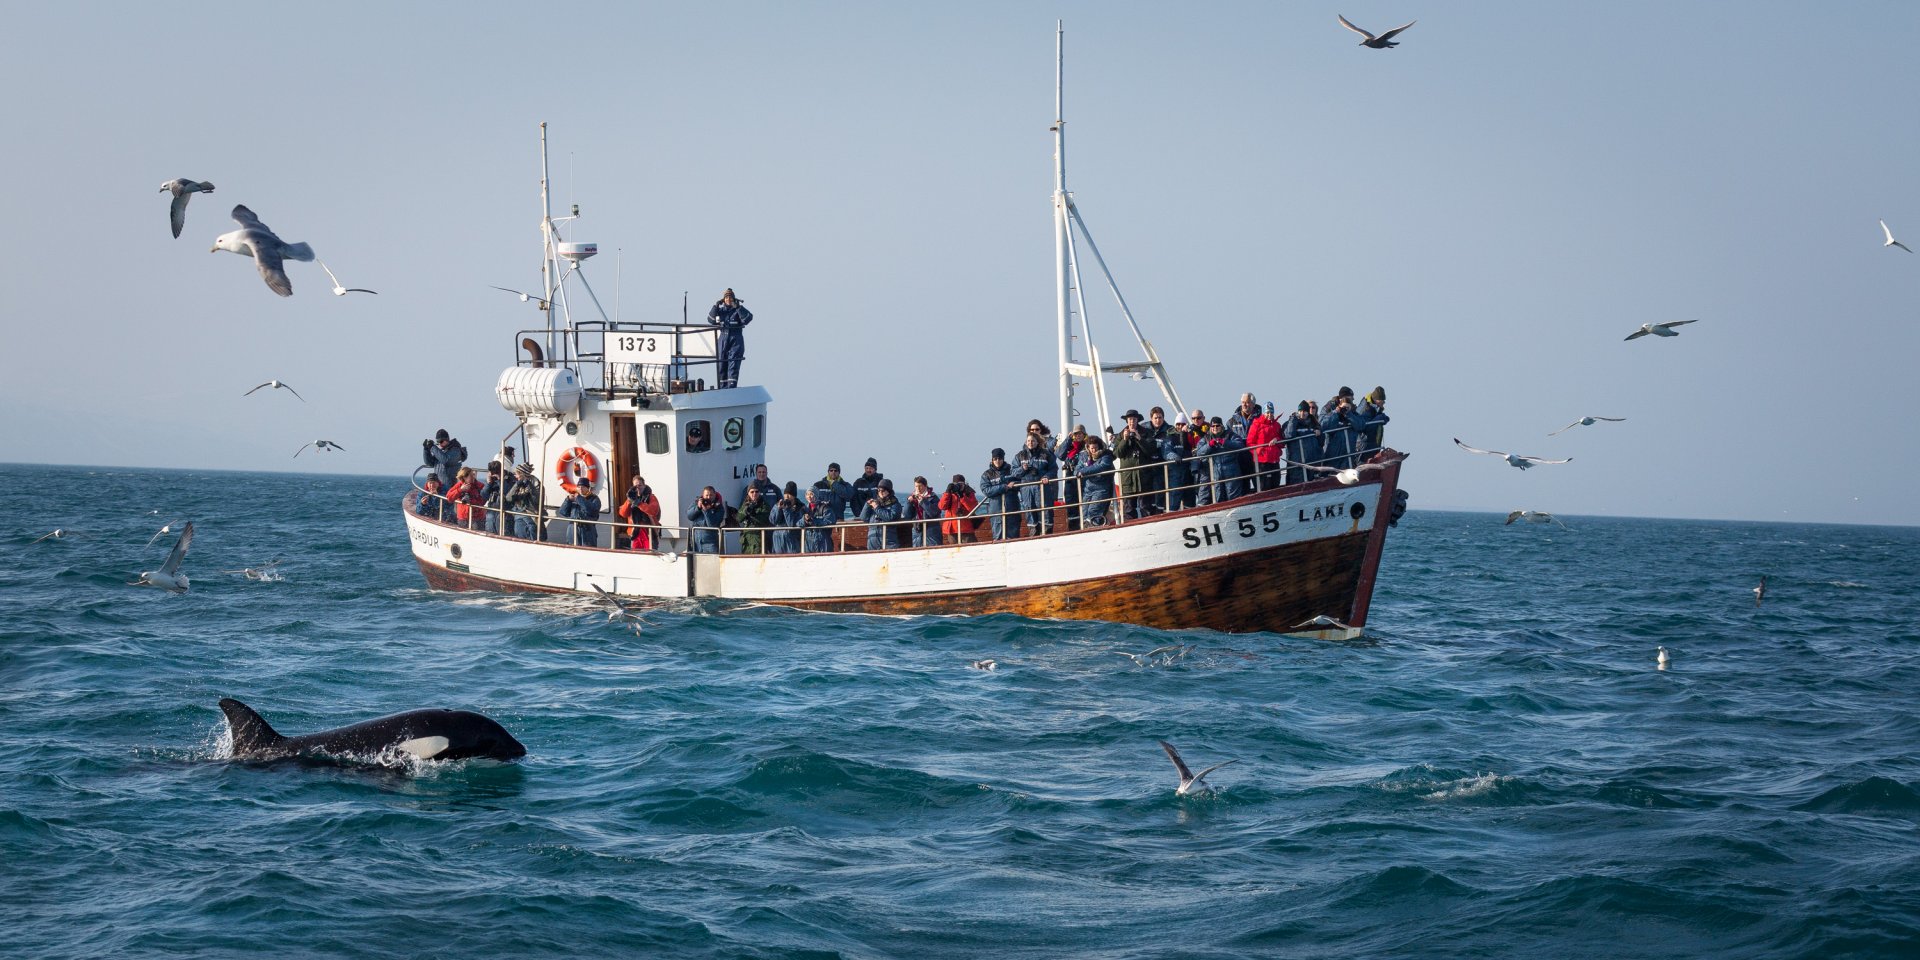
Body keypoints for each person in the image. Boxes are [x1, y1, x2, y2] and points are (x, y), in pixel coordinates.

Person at [1011, 431, 1057, 536]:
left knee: (1045, 510)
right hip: (1026, 488)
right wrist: (1022, 469)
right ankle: (1033, 531)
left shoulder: (1046, 454)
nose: (1030, 442)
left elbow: (1053, 469)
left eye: (1033, 441)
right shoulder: (1020, 456)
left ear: (1037, 442)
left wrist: (1047, 476)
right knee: (1029, 510)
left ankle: (1047, 532)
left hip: (1041, 487)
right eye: (1028, 441)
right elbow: (1013, 472)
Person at [708, 288, 753, 389]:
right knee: (721, 364)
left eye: (730, 297)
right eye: (726, 297)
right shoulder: (720, 311)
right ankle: (722, 387)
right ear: (723, 300)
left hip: (735, 339)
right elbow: (710, 320)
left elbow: (748, 318)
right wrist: (715, 306)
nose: (728, 299)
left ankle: (731, 387)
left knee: (733, 364)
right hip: (723, 339)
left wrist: (738, 308)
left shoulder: (737, 310)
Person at [1111, 409, 1151, 521]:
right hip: (1127, 478)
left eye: (1134, 419)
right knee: (1128, 509)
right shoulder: (1120, 435)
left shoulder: (1145, 433)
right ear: (1127, 421)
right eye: (1129, 419)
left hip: (1143, 477)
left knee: (1145, 507)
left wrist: (1139, 438)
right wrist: (1124, 440)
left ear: (1137, 420)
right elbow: (1117, 453)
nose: (1132, 422)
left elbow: (1151, 450)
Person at [1197, 417, 1248, 502]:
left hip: (1231, 472)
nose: (1215, 428)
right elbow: (1199, 452)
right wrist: (1209, 445)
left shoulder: (1230, 435)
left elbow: (1239, 445)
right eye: (1213, 426)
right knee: (1219, 498)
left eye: (1217, 426)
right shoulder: (1206, 438)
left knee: (1234, 498)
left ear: (1222, 426)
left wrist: (1225, 442)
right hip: (1216, 473)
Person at [978, 448, 1020, 540]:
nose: (997, 461)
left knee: (1013, 538)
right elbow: (986, 490)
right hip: (996, 511)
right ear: (992, 460)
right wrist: (1005, 487)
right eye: (995, 459)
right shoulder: (987, 475)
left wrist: (1015, 485)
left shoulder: (1012, 471)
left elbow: (1020, 483)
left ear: (1003, 459)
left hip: (1012, 509)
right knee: (998, 537)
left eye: (1000, 458)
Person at [1054, 425, 1090, 532]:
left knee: (1084, 502)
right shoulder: (1069, 446)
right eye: (1076, 434)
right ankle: (1074, 528)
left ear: (1084, 434)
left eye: (1080, 433)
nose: (1078, 436)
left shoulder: (1088, 445)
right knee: (1071, 504)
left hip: (1084, 477)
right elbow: (1060, 455)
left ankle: (1086, 526)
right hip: (1070, 477)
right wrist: (1068, 440)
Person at [1075, 436, 1116, 527]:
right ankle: (1087, 530)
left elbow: (1102, 466)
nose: (1094, 450)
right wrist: (1080, 471)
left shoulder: (1106, 456)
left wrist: (1084, 471)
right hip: (1088, 489)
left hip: (1102, 488)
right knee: (1084, 512)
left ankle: (1095, 527)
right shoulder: (1084, 456)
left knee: (1094, 511)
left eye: (1096, 448)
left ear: (1099, 447)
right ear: (1088, 448)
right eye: (1092, 448)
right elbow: (1077, 469)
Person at [1283, 400, 1324, 485]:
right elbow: (1289, 435)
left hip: (1312, 462)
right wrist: (1293, 420)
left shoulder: (1314, 424)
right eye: (1300, 411)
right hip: (1297, 463)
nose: (1302, 413)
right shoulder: (1290, 423)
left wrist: (1319, 434)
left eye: (1305, 411)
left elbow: (1322, 442)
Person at [1247, 402, 1284, 492]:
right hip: (1261, 461)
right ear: (1263, 413)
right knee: (1264, 486)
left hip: (1274, 460)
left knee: (1276, 483)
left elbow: (1282, 442)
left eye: (1271, 412)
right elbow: (1249, 443)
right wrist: (1259, 450)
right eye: (1267, 412)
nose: (1269, 415)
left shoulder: (1277, 425)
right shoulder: (1256, 425)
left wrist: (1277, 439)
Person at [859, 478, 905, 550]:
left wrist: (877, 508)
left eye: (883, 490)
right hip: (873, 539)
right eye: (878, 490)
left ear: (889, 491)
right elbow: (863, 518)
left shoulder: (895, 504)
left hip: (888, 539)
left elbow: (890, 518)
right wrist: (867, 505)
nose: (880, 492)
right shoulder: (875, 502)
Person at [1157, 417, 1192, 512]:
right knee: (1174, 497)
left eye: (1182, 424)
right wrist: (1174, 456)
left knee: (1190, 497)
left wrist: (1184, 435)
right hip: (1175, 473)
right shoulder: (1169, 437)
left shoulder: (1191, 435)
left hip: (1189, 472)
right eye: (1178, 424)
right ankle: (1172, 515)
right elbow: (1166, 451)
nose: (1180, 426)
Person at [620, 475, 663, 550]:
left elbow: (653, 511)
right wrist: (629, 501)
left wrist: (639, 504)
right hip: (635, 533)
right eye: (635, 486)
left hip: (649, 533)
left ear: (644, 486)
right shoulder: (631, 498)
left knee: (651, 556)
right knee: (636, 556)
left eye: (640, 485)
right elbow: (623, 513)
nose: (638, 487)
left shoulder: (651, 497)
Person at [1320, 387, 1359, 469]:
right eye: (1350, 396)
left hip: (1349, 454)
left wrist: (1349, 414)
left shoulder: (1353, 410)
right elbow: (1322, 425)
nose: (1353, 399)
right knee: (1330, 475)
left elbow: (1361, 425)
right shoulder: (1329, 408)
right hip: (1332, 453)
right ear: (1343, 398)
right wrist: (1335, 413)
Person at [504, 462, 543, 540]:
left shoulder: (535, 484)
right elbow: (508, 498)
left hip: (532, 515)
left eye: (517, 474)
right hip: (519, 514)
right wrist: (517, 484)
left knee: (531, 533)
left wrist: (529, 487)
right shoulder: (518, 484)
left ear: (522, 475)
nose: (515, 476)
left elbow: (536, 501)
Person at [558, 481, 604, 547]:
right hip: (573, 528)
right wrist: (568, 500)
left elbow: (592, 511)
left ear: (588, 488)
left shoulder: (594, 499)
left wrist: (579, 498)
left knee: (588, 550)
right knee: (572, 549)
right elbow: (563, 512)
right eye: (579, 487)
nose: (580, 489)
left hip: (587, 529)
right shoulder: (573, 498)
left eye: (583, 487)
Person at [904, 476, 944, 546]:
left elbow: (934, 513)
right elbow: (907, 515)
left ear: (925, 486)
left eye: (920, 486)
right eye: (916, 486)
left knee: (934, 552)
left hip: (931, 531)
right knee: (917, 553)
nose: (918, 489)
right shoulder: (912, 498)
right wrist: (908, 503)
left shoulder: (933, 497)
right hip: (917, 531)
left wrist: (923, 502)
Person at [686, 486, 728, 554]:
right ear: (703, 495)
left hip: (710, 544)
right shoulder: (697, 502)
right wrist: (698, 508)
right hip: (696, 543)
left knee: (712, 563)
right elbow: (689, 516)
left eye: (711, 495)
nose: (708, 497)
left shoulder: (719, 508)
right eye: (706, 495)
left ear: (715, 495)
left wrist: (706, 511)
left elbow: (712, 525)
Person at [734, 483, 772, 554]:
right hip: (747, 540)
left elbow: (764, 520)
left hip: (758, 539)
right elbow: (738, 518)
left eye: (756, 491)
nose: (754, 494)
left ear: (759, 493)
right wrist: (746, 511)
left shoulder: (764, 505)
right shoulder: (745, 504)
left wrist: (752, 514)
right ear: (748, 493)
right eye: (752, 492)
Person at [769, 482, 805, 554]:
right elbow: (773, 521)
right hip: (778, 539)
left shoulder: (800, 507)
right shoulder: (778, 504)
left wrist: (786, 510)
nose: (787, 497)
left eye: (789, 494)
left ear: (794, 496)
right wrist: (778, 508)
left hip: (792, 540)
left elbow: (791, 524)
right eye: (785, 494)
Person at [940, 474, 979, 541]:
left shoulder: (969, 492)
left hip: (966, 528)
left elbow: (973, 508)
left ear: (964, 483)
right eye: (956, 484)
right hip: (952, 529)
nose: (958, 486)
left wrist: (962, 497)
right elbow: (942, 506)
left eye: (960, 484)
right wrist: (947, 493)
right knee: (954, 549)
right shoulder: (950, 493)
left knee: (970, 548)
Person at [1356, 386, 1390, 461]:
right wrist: (1380, 418)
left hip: (1371, 443)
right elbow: (1362, 425)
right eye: (1382, 400)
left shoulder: (1375, 408)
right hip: (1363, 444)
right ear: (1376, 400)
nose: (1383, 403)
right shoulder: (1366, 408)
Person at [800, 485, 837, 553]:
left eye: (811, 494)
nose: (809, 496)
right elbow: (798, 523)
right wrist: (804, 520)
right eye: (807, 494)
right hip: (809, 541)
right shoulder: (804, 509)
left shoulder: (825, 508)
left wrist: (814, 521)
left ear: (816, 495)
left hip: (823, 541)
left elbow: (830, 521)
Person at [481, 460, 508, 533]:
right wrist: (488, 483)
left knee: (502, 532)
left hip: (504, 511)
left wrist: (500, 480)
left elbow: (507, 493)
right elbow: (484, 495)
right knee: (490, 530)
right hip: (492, 509)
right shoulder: (491, 481)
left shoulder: (509, 479)